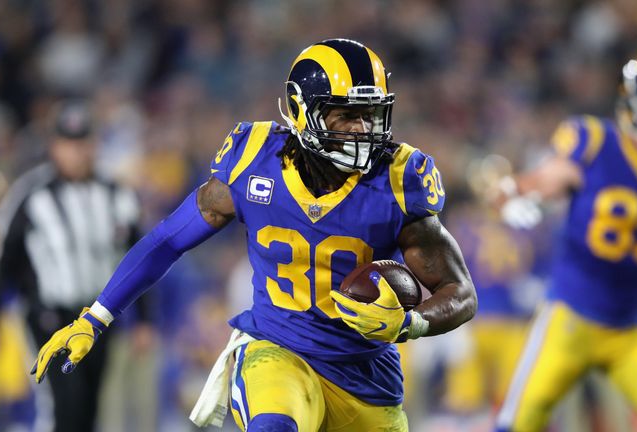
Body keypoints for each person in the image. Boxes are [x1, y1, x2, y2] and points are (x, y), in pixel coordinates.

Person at [30, 38, 477, 431]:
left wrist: (410, 323)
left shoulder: (399, 178)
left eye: (371, 115)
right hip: (280, 353)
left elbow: (459, 291)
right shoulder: (253, 161)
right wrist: (96, 317)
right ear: (303, 112)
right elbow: (169, 240)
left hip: (364, 377)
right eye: (347, 116)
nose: (363, 130)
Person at [494, 52, 637, 432]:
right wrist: (525, 195)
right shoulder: (593, 140)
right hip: (570, 319)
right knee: (518, 421)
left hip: (632, 327)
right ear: (630, 99)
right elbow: (550, 178)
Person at [0, 100, 143, 432]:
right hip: (48, 316)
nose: (77, 152)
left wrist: (145, 319)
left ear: (95, 144)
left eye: (83, 142)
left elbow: (141, 258)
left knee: (90, 407)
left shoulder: (117, 194)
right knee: (61, 407)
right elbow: (2, 259)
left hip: (98, 317)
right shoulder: (31, 195)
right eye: (69, 143)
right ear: (54, 146)